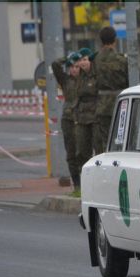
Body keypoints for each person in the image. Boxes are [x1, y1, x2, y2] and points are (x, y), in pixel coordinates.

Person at [94, 26, 129, 155]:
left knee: (107, 142)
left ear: (101, 41)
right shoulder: (122, 60)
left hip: (102, 106)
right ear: (115, 40)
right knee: (123, 140)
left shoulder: (95, 60)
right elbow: (133, 80)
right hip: (122, 105)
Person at [52, 52, 81, 189]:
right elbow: (55, 65)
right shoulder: (65, 80)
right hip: (68, 120)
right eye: (72, 67)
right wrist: (68, 58)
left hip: (83, 119)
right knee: (71, 153)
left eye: (77, 66)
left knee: (83, 153)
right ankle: (77, 184)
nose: (74, 69)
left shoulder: (86, 79)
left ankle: (85, 182)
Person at [74, 47, 97, 176]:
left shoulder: (96, 74)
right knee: (81, 151)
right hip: (82, 117)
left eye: (85, 59)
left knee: (99, 149)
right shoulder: (79, 77)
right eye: (80, 60)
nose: (82, 63)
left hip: (95, 117)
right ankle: (84, 177)